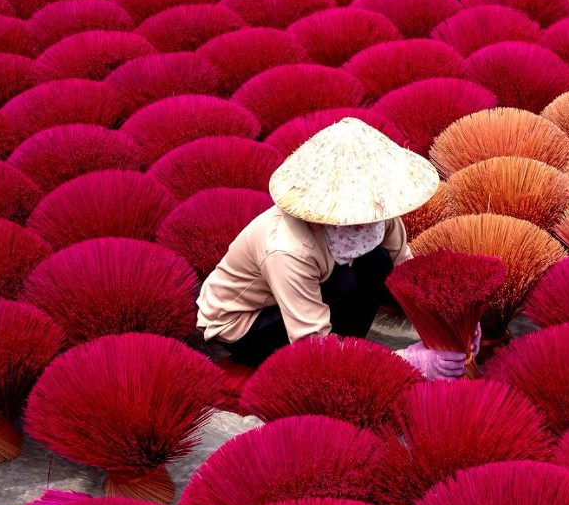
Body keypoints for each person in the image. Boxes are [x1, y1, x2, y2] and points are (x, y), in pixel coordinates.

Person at [195, 118, 471, 379]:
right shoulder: (288, 249)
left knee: (377, 262)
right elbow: (310, 344)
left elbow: (407, 271)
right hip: (247, 322)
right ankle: (348, 364)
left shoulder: (379, 211)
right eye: (354, 216)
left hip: (310, 289)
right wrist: (402, 362)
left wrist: (449, 324)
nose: (367, 222)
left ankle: (350, 353)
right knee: (344, 294)